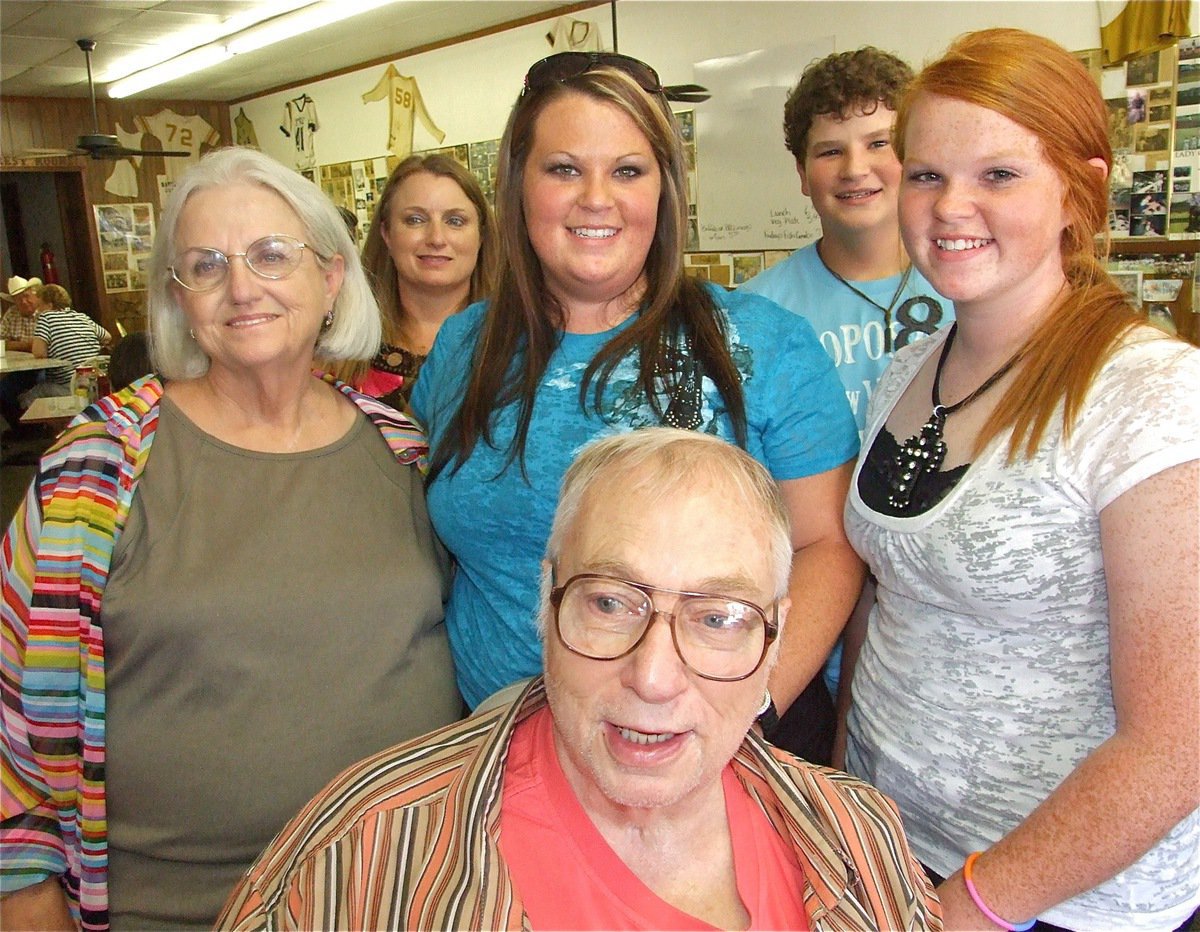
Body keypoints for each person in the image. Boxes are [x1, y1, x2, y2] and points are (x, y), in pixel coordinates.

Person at [218, 428, 941, 930]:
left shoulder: (860, 838)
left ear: (775, 632)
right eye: (608, 602)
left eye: (716, 617)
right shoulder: (361, 856)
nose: (654, 677)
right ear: (546, 599)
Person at [0, 147, 461, 930]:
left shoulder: (403, 450)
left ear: (331, 279)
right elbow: (14, 739)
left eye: (271, 255)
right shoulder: (95, 469)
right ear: (178, 302)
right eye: (205, 266)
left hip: (408, 887)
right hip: (181, 910)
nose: (242, 287)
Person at [843, 28, 1200, 931]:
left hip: (1059, 899)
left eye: (998, 175)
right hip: (888, 845)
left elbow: (1178, 742)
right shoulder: (903, 372)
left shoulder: (1150, 394)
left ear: (1079, 189)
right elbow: (884, 603)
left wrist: (979, 900)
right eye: (925, 175)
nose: (950, 205)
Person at [411, 52, 862, 766]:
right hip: (497, 754)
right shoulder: (464, 347)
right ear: (518, 184)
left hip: (707, 751)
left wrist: (748, 712)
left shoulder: (765, 345)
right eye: (563, 169)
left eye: (628, 171)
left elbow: (827, 548)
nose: (597, 198)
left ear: (665, 190)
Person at [740, 46, 953, 712]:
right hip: (810, 644)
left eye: (879, 143)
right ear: (801, 174)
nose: (856, 169)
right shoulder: (757, 314)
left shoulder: (968, 290)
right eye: (829, 151)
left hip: (941, 628)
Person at [342, 153, 497, 409]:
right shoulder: (341, 348)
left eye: (455, 221)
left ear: (481, 235)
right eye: (415, 220)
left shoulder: (520, 341)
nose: (436, 238)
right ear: (386, 234)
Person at [19, 283, 113, 407]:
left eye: (40, 305)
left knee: (28, 396)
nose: (38, 310)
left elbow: (39, 353)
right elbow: (107, 337)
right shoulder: (82, 317)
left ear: (49, 305)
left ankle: (46, 426)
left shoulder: (46, 317)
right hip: (94, 385)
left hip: (68, 386)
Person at [0, 274, 44, 352]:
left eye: (26, 296)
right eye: (18, 299)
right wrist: (26, 345)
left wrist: (14, 344)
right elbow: (1, 343)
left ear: (35, 295)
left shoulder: (45, 311)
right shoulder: (11, 314)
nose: (23, 302)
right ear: (14, 301)